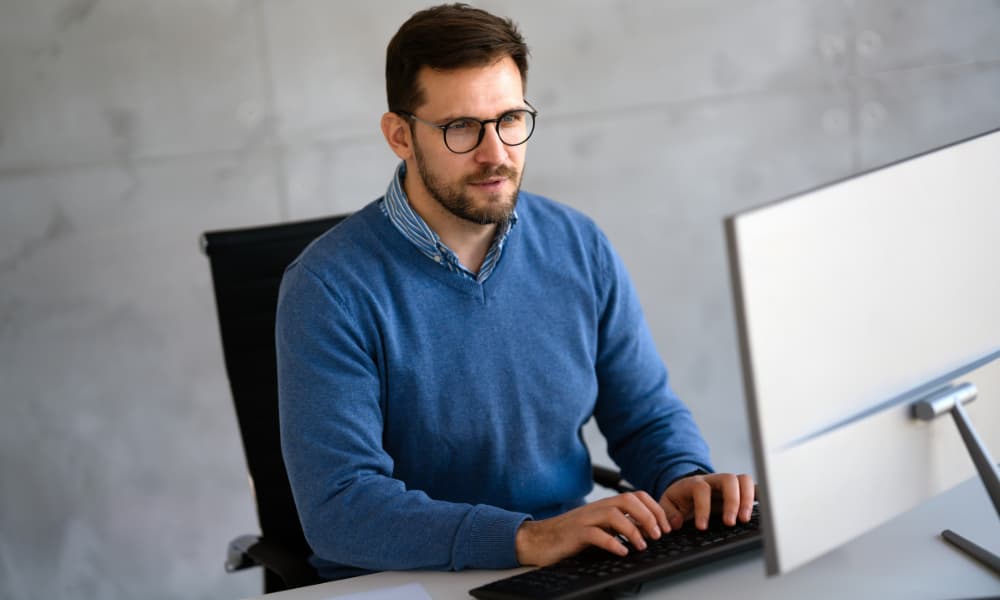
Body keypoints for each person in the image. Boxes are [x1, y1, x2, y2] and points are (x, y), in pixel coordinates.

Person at [276, 2, 755, 581]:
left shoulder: (578, 243)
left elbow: (645, 416)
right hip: (404, 579)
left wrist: (684, 479)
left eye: (510, 119)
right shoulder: (327, 288)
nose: (496, 152)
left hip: (569, 566)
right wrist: (526, 538)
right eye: (461, 129)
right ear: (400, 135)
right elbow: (340, 508)